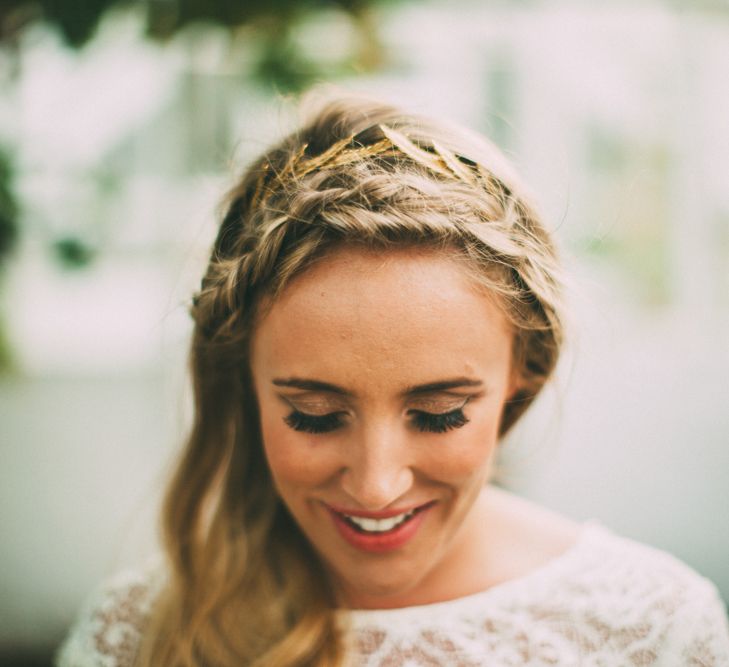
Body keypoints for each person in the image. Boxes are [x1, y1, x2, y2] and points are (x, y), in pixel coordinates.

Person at [57, 92, 729, 667]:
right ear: (243, 383)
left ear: (520, 378)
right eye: (314, 413)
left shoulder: (649, 630)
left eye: (438, 413)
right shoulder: (140, 634)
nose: (377, 484)